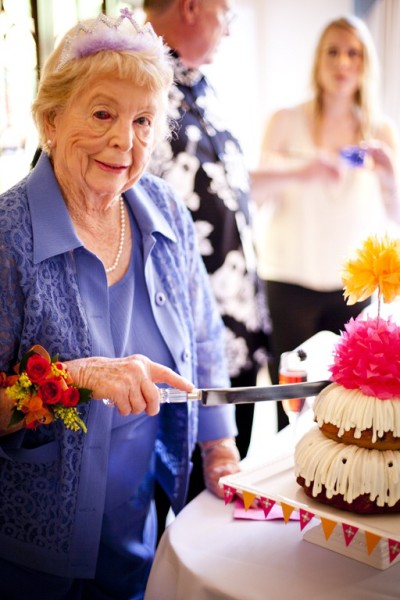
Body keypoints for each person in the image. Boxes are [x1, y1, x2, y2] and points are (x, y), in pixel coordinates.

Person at [0, 10, 241, 600]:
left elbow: (205, 340)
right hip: (33, 559)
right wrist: (74, 378)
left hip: (142, 535)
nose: (123, 140)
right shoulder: (8, 238)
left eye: (142, 121)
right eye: (103, 113)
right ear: (51, 120)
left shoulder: (165, 214)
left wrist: (220, 449)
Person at [143, 0, 270, 482]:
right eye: (227, 14)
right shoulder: (132, 80)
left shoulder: (201, 86)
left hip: (233, 336)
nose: (231, 30)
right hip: (177, 352)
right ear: (193, 7)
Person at [253, 15, 400, 429]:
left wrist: (390, 173)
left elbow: (396, 213)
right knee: (292, 401)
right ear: (318, 60)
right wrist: (300, 169)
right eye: (332, 51)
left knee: (348, 403)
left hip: (351, 290)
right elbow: (253, 196)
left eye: (353, 53)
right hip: (287, 283)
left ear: (365, 63)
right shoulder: (285, 120)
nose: (342, 62)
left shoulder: (381, 131)